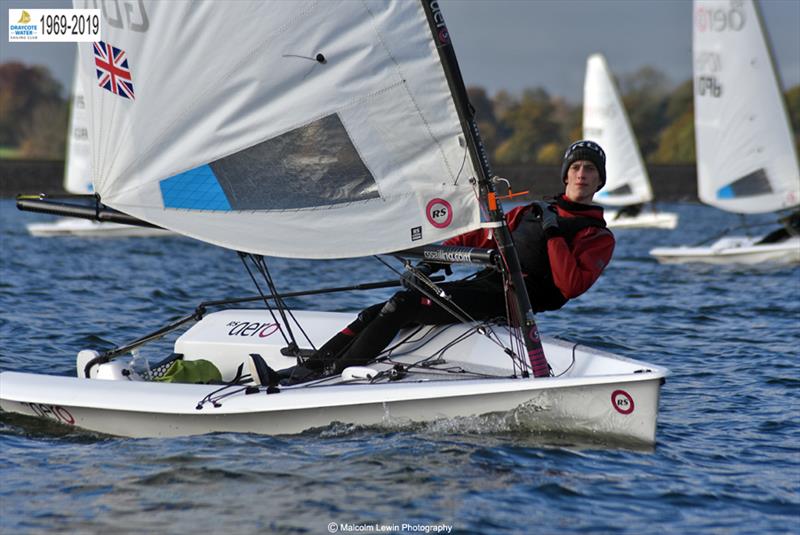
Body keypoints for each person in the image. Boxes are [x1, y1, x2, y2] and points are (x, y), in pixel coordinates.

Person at [252, 140, 615, 385]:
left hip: (516, 301)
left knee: (403, 306)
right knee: (376, 311)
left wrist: (554, 235)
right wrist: (435, 259)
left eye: (590, 170)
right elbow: (479, 238)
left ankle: (334, 371)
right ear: (566, 175)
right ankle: (301, 372)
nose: (582, 174)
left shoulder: (597, 236)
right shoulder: (529, 212)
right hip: (487, 285)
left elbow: (569, 286)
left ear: (599, 181)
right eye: (577, 167)